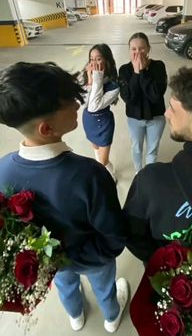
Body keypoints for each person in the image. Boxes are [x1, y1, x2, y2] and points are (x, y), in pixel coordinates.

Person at [0, 62, 129, 333]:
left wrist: (55, 258)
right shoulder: (89, 175)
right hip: (93, 258)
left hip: (52, 264)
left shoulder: (3, 171)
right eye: (70, 102)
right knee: (105, 285)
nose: (77, 105)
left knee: (64, 284)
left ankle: (75, 315)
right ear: (47, 128)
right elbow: (114, 237)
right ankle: (111, 315)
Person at [123, 65, 192, 264]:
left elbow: (133, 236)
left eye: (174, 108)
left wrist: (167, 269)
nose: (167, 113)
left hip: (172, 285)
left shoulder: (152, 181)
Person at [119, 32, 167, 173]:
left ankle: (149, 176)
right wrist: (136, 73)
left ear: (148, 49)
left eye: (142, 48)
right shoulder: (124, 70)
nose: (138, 52)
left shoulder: (158, 67)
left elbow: (155, 95)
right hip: (134, 118)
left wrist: (143, 72)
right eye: (134, 49)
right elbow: (128, 98)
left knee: (152, 149)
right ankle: (138, 173)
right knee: (136, 148)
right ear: (129, 51)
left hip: (156, 118)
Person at [81, 44, 119, 181]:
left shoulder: (114, 85)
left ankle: (108, 173)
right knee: (96, 151)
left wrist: (97, 78)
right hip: (89, 121)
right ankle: (108, 172)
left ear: (107, 61)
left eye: (98, 59)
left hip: (103, 123)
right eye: (91, 59)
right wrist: (90, 80)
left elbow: (94, 106)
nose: (93, 63)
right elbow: (84, 104)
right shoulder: (88, 78)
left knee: (102, 161)